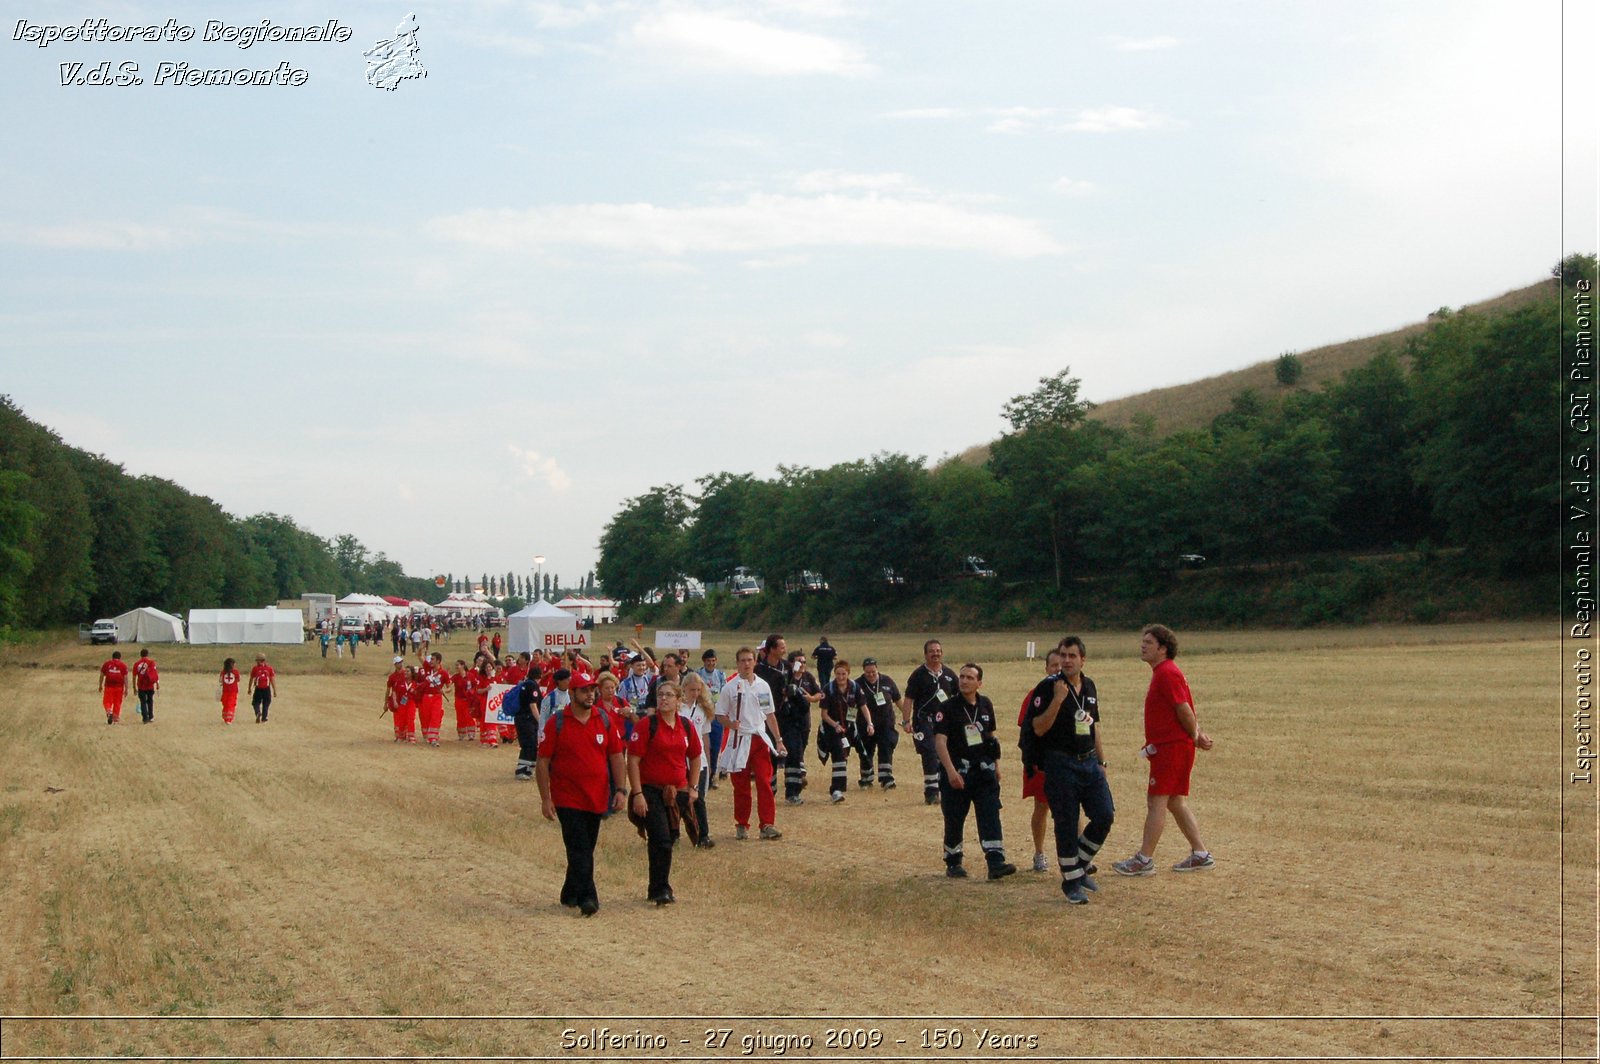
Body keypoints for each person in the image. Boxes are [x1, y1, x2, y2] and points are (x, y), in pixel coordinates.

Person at [1113, 624, 1216, 876]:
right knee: (1174, 801)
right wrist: (1196, 734)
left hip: (1171, 748)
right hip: (1171, 747)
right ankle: (1201, 854)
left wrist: (1194, 735)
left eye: (1149, 642)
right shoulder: (1165, 672)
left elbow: (1183, 708)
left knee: (1156, 800)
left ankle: (1144, 859)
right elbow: (1184, 707)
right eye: (1143, 641)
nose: (1143, 645)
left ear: (1163, 648)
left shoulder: (1166, 673)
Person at [1025, 637, 1114, 904]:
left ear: (1082, 659)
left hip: (1088, 763)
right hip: (1060, 763)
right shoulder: (1048, 688)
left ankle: (1078, 864)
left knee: (1104, 815)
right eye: (1063, 655)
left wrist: (1102, 761)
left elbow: (1093, 725)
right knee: (1066, 823)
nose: (1066, 660)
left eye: (1072, 656)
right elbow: (1037, 728)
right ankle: (1072, 882)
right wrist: (1058, 701)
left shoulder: (1089, 686)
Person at [536, 667, 627, 916]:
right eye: (584, 690)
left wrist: (621, 789)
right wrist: (546, 799)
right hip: (567, 797)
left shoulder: (604, 720)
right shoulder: (558, 722)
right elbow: (542, 761)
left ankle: (570, 891)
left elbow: (617, 756)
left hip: (597, 796)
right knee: (579, 847)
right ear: (573, 693)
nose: (590, 695)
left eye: (592, 690)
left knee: (585, 846)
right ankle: (588, 897)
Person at [933, 663, 1016, 880]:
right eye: (961, 677)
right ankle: (953, 862)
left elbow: (991, 738)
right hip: (958, 772)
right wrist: (950, 772)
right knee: (954, 818)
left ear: (979, 683)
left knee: (990, 815)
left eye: (970, 677)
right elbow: (940, 742)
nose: (964, 681)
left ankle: (996, 863)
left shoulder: (986, 704)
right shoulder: (947, 708)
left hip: (983, 772)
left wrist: (997, 767)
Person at [626, 680, 705, 905]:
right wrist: (637, 793)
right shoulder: (646, 725)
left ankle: (658, 886)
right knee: (660, 838)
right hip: (651, 790)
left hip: (677, 791)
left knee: (668, 839)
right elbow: (633, 759)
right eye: (661, 695)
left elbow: (696, 756)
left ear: (679, 701)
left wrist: (693, 787)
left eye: (669, 695)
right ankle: (661, 889)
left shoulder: (686, 726)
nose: (664, 699)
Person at [714, 647, 787, 840]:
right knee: (741, 785)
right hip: (739, 740)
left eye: (749, 660)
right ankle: (741, 824)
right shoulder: (730, 687)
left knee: (764, 781)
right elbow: (719, 714)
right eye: (742, 661)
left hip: (759, 739)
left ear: (754, 662)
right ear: (737, 663)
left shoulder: (762, 686)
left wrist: (778, 741)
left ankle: (767, 824)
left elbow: (769, 714)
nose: (746, 664)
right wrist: (730, 724)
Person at [1019, 648, 1064, 871]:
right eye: (1053, 665)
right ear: (1046, 668)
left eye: (1061, 664)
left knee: (1070, 807)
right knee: (1042, 806)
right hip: (1041, 761)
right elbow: (1026, 729)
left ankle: (1078, 855)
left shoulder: (1076, 691)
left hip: (1066, 760)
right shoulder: (1036, 693)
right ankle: (1039, 853)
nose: (1057, 669)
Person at [902, 639, 958, 804]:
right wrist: (906, 721)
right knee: (930, 753)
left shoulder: (949, 675)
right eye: (932, 651)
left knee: (945, 754)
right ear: (925, 654)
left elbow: (958, 697)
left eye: (938, 651)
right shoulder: (918, 675)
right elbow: (908, 699)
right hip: (924, 720)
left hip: (944, 722)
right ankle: (931, 792)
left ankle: (945, 788)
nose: (936, 654)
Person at [678, 671, 717, 847]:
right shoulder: (677, 708)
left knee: (699, 798)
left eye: (698, 690)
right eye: (692, 689)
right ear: (684, 688)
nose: (695, 693)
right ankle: (673, 834)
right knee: (678, 797)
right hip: (679, 758)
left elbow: (705, 737)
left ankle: (703, 836)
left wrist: (708, 761)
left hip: (698, 759)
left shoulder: (702, 710)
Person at [777, 649, 821, 804]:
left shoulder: (808, 677)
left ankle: (796, 781)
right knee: (794, 755)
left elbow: (819, 694)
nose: (802, 664)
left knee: (799, 752)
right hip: (789, 723)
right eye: (798, 661)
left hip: (804, 723)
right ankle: (793, 791)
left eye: (804, 662)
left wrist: (810, 698)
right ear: (791, 663)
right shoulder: (786, 678)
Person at [853, 657, 900, 789]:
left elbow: (897, 699)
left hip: (886, 723)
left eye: (873, 671)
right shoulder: (857, 684)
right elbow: (851, 705)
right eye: (868, 672)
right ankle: (866, 778)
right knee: (866, 751)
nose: (871, 675)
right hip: (865, 725)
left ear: (877, 669)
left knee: (886, 748)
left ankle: (886, 779)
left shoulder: (887, 681)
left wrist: (907, 717)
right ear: (863, 671)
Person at [818, 660, 860, 803]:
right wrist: (834, 725)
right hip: (831, 729)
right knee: (838, 755)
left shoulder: (854, 687)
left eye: (843, 674)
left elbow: (863, 706)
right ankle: (836, 790)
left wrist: (870, 723)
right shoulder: (828, 689)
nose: (841, 677)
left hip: (847, 728)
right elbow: (824, 714)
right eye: (838, 674)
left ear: (848, 674)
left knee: (844, 757)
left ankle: (837, 787)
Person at [696, 649, 728, 785]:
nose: (711, 663)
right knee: (702, 745)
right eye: (708, 661)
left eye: (713, 661)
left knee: (715, 746)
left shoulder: (720, 675)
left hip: (716, 715)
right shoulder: (698, 674)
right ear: (704, 661)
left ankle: (713, 774)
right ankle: (701, 774)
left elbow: (724, 693)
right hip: (702, 713)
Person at [416, 652, 448, 745]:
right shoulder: (427, 668)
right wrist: (421, 648)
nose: (431, 661)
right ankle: (427, 735)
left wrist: (445, 691)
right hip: (426, 697)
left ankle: (434, 738)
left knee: (435, 716)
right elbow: (419, 655)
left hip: (437, 697)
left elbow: (449, 686)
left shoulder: (443, 673)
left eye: (433, 659)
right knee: (426, 716)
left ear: (438, 661)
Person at [385, 657, 413, 742]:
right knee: (398, 719)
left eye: (401, 662)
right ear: (395, 664)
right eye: (398, 662)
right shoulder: (392, 677)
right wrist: (386, 703)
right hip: (396, 700)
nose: (400, 664)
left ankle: (407, 735)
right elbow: (388, 689)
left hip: (407, 700)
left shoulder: (407, 673)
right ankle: (399, 736)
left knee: (408, 718)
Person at [98, 650, 129, 724]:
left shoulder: (107, 664)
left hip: (109, 686)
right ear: (120, 658)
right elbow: (125, 678)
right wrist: (126, 689)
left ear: (112, 657)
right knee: (117, 702)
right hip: (119, 687)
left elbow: (101, 675)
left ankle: (109, 711)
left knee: (107, 701)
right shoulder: (123, 665)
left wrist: (100, 685)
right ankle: (116, 717)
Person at [248, 653, 277, 723]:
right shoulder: (269, 668)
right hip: (266, 689)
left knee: (256, 702)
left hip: (258, 689)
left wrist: (249, 688)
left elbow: (251, 678)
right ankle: (264, 717)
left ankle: (258, 712)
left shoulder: (255, 668)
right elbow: (272, 680)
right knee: (266, 703)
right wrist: (274, 690)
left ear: (259, 661)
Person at [132, 648, 160, 724]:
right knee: (150, 701)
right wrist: (157, 684)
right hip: (150, 685)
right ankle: (151, 716)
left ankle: (145, 718)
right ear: (147, 654)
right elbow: (155, 674)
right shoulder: (151, 662)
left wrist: (134, 687)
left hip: (141, 685)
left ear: (140, 655)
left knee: (143, 702)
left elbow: (134, 676)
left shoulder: (137, 664)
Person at [219, 657, 241, 724]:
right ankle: (229, 718)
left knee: (225, 704)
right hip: (233, 691)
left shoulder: (223, 672)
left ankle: (226, 717)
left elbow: (220, 680)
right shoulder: (236, 672)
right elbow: (238, 679)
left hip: (225, 690)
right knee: (231, 704)